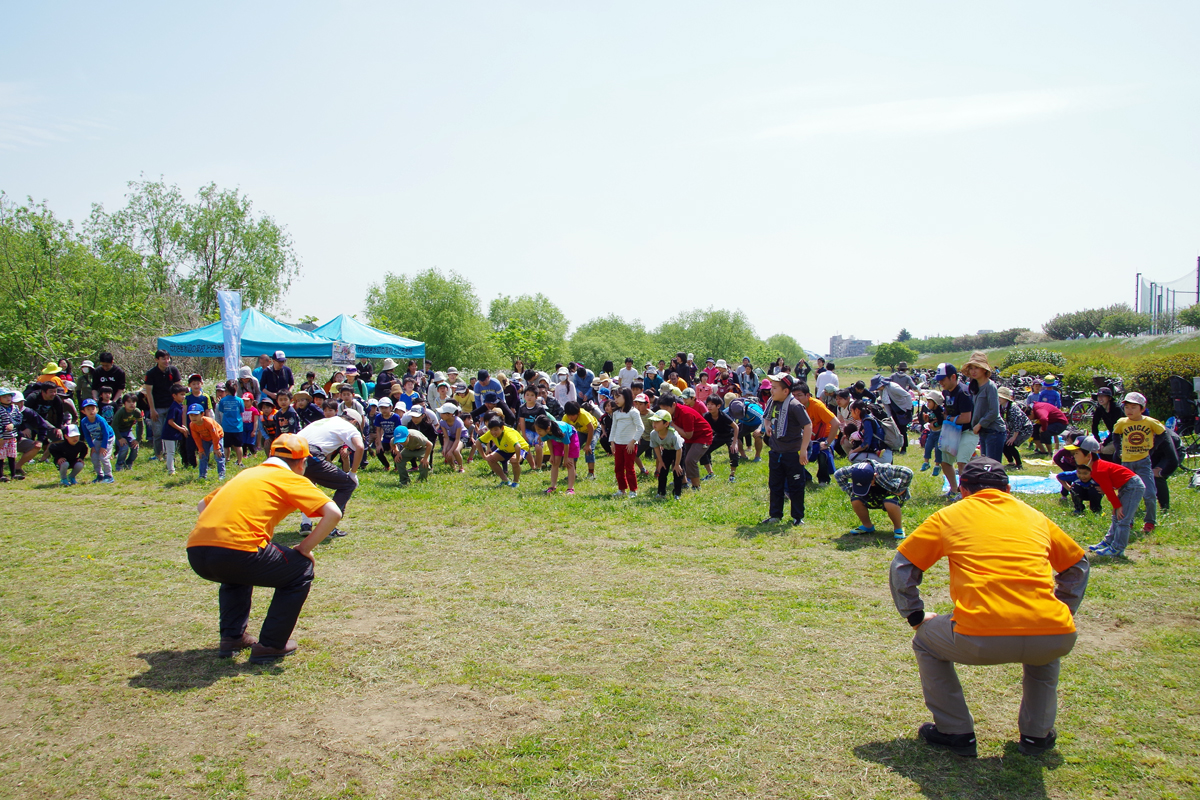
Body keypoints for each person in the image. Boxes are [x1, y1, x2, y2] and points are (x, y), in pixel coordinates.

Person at [890, 458, 1089, 758]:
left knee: (925, 641)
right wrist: (1063, 609)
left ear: (963, 491)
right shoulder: (1035, 516)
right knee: (1045, 646)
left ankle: (955, 730)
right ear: (1008, 489)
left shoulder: (949, 516)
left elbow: (903, 567)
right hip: (1053, 634)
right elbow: (1077, 565)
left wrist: (915, 615)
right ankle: (1037, 735)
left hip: (980, 637)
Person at [186, 434, 342, 664]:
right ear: (301, 462)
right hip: (237, 552)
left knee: (235, 573)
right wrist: (304, 548)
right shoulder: (290, 478)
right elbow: (334, 513)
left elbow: (202, 505)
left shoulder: (247, 473)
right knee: (301, 570)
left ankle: (232, 638)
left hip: (197, 552)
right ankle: (271, 645)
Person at [1065, 435, 1144, 558]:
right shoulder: (1095, 467)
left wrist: (1118, 506)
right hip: (1126, 486)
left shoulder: (1098, 469)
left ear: (1088, 455)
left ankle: (1117, 549)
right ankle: (1108, 542)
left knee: (1123, 519)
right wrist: (1116, 506)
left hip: (1133, 486)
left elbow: (1108, 490)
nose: (1073, 456)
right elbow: (1109, 488)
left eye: (1076, 453)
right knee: (1116, 518)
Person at [296, 407, 364, 538]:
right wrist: (353, 473)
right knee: (348, 484)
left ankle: (306, 524)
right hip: (310, 454)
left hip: (292, 454)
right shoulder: (347, 426)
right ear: (354, 421)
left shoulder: (323, 421)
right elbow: (360, 447)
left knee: (308, 486)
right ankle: (328, 527)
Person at [759, 373, 812, 526]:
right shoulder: (773, 402)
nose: (771, 391)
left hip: (792, 454)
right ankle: (775, 515)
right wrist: (767, 425)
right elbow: (767, 417)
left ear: (786, 391)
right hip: (776, 452)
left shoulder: (795, 406)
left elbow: (807, 426)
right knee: (775, 484)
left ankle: (797, 517)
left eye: (775, 388)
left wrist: (803, 450)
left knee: (796, 486)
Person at [1111, 392, 1164, 534]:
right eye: (1127, 407)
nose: (1129, 410)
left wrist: (1153, 447)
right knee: (1126, 494)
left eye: (1133, 407)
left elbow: (1162, 432)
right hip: (1127, 463)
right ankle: (1127, 521)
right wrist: (1118, 450)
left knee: (1150, 493)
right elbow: (1115, 434)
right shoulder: (1122, 422)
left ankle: (1150, 521)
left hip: (1143, 462)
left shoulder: (1150, 422)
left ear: (1142, 408)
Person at [835, 460, 914, 539]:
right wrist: (851, 491)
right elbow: (838, 474)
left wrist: (901, 490)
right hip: (871, 494)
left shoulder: (885, 470)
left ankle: (898, 528)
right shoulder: (852, 470)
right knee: (855, 499)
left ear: (874, 475)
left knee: (889, 502)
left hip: (890, 492)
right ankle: (867, 526)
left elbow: (908, 472)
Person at [935, 363, 975, 499]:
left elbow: (966, 418)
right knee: (945, 462)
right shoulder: (945, 392)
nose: (940, 383)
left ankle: (966, 494)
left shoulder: (963, 392)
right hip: (952, 431)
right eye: (939, 380)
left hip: (967, 431)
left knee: (962, 462)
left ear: (953, 377)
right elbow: (947, 410)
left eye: (943, 380)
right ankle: (953, 489)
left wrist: (949, 418)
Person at [656, 394, 712, 490]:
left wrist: (672, 424)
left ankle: (696, 486)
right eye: (662, 409)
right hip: (687, 437)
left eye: (665, 409)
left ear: (673, 405)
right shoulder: (669, 414)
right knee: (676, 457)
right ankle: (683, 482)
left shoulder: (685, 413)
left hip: (702, 437)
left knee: (689, 460)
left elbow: (688, 435)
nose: (664, 413)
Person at [791, 382, 837, 484]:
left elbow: (836, 423)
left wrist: (827, 442)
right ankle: (806, 477)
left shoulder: (817, 405)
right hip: (807, 437)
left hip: (825, 436)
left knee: (823, 452)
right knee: (790, 453)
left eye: (799, 395)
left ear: (808, 395)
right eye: (793, 395)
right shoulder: (793, 406)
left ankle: (823, 479)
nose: (796, 398)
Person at [963, 351, 1005, 462]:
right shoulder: (975, 386)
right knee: (984, 465)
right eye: (971, 368)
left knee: (992, 466)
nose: (973, 371)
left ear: (984, 369)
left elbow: (994, 411)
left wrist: (980, 424)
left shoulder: (990, 386)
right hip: (983, 431)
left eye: (976, 367)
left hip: (994, 430)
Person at [142, 350, 182, 459]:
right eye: (163, 358)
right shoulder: (151, 373)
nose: (166, 361)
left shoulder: (173, 370)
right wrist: (152, 409)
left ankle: (171, 454)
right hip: (157, 407)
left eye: (168, 358)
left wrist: (178, 406)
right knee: (158, 433)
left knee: (172, 431)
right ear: (157, 360)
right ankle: (158, 455)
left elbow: (178, 389)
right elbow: (148, 392)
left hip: (171, 406)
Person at [608, 387, 644, 497]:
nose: (616, 400)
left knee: (629, 468)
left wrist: (633, 442)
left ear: (627, 397)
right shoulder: (616, 413)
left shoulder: (633, 412)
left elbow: (641, 428)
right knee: (618, 468)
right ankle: (621, 489)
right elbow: (613, 428)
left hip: (630, 446)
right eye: (614, 397)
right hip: (618, 444)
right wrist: (612, 442)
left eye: (618, 397)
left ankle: (633, 490)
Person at [534, 414, 579, 495]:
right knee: (555, 462)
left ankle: (570, 489)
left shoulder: (561, 430)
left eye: (539, 430)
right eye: (536, 430)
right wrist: (552, 455)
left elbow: (566, 444)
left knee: (570, 463)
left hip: (570, 438)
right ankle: (553, 487)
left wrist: (566, 458)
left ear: (547, 428)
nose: (537, 432)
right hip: (556, 439)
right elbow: (549, 441)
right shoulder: (544, 433)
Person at [479, 416, 527, 488]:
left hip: (520, 448)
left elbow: (518, 446)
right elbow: (477, 442)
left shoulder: (509, 433)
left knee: (514, 461)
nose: (493, 432)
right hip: (505, 449)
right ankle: (505, 480)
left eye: (496, 430)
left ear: (502, 428)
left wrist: (517, 459)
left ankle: (516, 482)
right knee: (491, 459)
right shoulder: (490, 433)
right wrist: (484, 457)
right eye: (491, 430)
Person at [701, 394, 739, 483]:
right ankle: (710, 473)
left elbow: (736, 427)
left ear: (718, 406)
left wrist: (734, 443)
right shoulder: (707, 416)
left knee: (734, 452)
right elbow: (704, 428)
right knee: (703, 451)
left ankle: (732, 475)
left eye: (712, 404)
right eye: (708, 404)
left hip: (729, 435)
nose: (709, 406)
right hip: (719, 436)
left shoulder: (723, 415)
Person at [648, 409, 685, 499]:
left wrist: (676, 464)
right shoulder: (653, 434)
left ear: (666, 424)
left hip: (678, 451)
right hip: (667, 450)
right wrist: (660, 461)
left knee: (678, 472)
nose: (654, 424)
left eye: (657, 422)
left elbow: (679, 449)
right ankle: (661, 492)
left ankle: (677, 493)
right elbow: (656, 447)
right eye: (653, 422)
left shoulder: (673, 435)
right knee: (662, 471)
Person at [78, 398, 115, 483]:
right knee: (94, 457)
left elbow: (106, 433)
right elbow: (87, 435)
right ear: (83, 411)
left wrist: (103, 447)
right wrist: (92, 447)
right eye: (88, 409)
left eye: (93, 408)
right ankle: (100, 475)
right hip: (98, 439)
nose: (91, 411)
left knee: (103, 457)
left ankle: (109, 476)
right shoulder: (84, 422)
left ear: (97, 410)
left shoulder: (100, 420)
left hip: (108, 438)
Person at [998, 387, 1033, 469]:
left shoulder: (1013, 407)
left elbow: (1018, 423)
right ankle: (1011, 462)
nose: (998, 399)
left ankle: (1019, 464)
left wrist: (1013, 437)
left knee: (1010, 445)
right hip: (1013, 430)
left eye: (1000, 397)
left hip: (1024, 429)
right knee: (1004, 444)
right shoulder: (1001, 407)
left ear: (1005, 398)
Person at [189, 404, 226, 480]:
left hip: (217, 436)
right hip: (205, 438)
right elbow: (196, 438)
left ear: (202, 414)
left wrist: (216, 447)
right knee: (202, 455)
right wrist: (200, 449)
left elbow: (215, 435)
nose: (193, 417)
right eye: (191, 415)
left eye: (196, 415)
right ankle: (202, 475)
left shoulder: (208, 422)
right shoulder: (192, 425)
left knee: (218, 455)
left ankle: (221, 474)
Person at [1150, 425, 1181, 514]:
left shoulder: (1163, 434)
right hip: (1155, 452)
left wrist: (1161, 473)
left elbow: (1173, 460)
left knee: (1157, 476)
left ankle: (1165, 508)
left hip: (1173, 450)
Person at [160, 383, 188, 475]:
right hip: (169, 434)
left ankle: (172, 468)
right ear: (174, 396)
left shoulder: (179, 406)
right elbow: (170, 422)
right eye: (181, 394)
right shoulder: (174, 407)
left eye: (184, 394)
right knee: (170, 452)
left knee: (173, 452)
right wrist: (180, 429)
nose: (183, 396)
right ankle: (171, 471)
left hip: (174, 434)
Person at [1091, 387, 1122, 462]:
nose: (1100, 398)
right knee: (1099, 449)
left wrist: (1104, 443)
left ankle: (1114, 467)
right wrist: (1098, 441)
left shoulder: (1116, 409)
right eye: (1099, 396)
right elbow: (1094, 425)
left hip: (1121, 435)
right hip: (1113, 436)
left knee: (1105, 450)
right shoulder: (1100, 409)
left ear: (1109, 398)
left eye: (1103, 396)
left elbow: (1116, 429)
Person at [919, 390, 944, 476]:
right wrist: (927, 419)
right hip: (932, 432)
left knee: (938, 449)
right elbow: (931, 419)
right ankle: (926, 463)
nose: (927, 404)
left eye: (929, 402)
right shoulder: (932, 410)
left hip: (939, 433)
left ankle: (937, 465)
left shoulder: (939, 411)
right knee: (928, 446)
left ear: (936, 403)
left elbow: (941, 421)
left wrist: (935, 424)